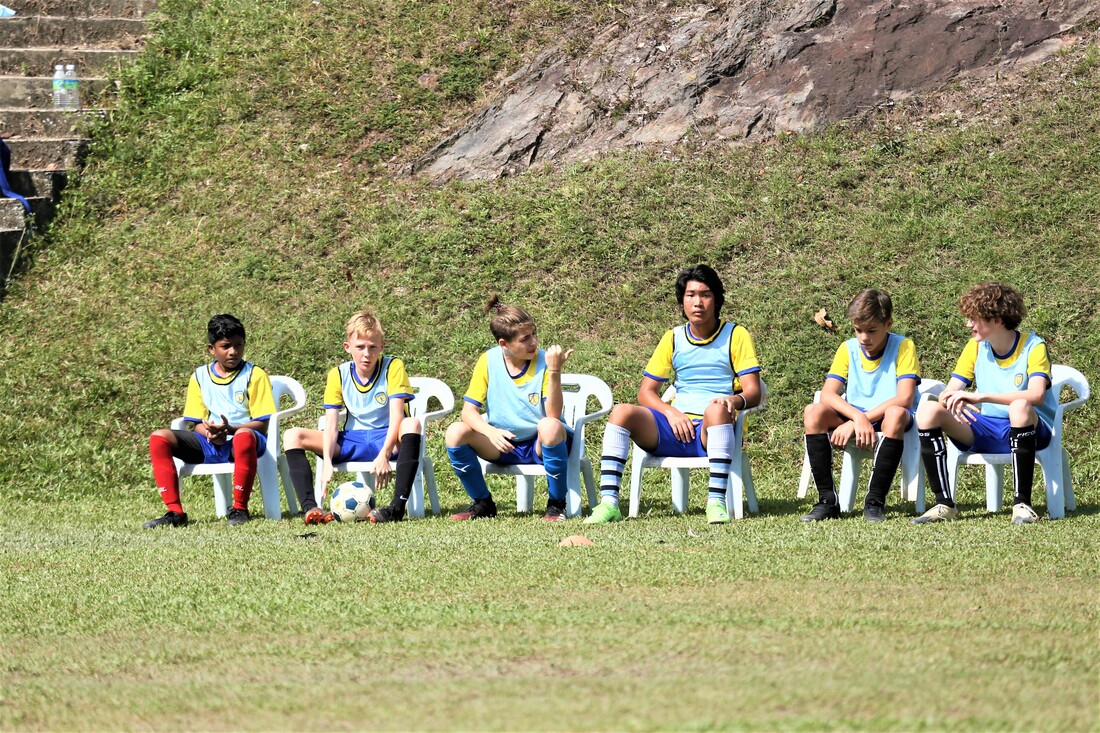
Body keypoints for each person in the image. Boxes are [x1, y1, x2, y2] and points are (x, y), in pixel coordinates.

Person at [585, 264, 762, 525]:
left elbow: (754, 392)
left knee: (715, 408)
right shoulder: (673, 338)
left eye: (705, 295)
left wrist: (731, 401)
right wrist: (671, 413)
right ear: (682, 302)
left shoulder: (736, 335)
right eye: (691, 295)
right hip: (675, 428)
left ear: (717, 300)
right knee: (622, 411)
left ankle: (716, 502)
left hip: (714, 429)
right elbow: (646, 392)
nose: (698, 302)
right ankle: (609, 503)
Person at [912, 283, 1056, 525]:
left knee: (1019, 407)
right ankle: (944, 504)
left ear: (997, 319)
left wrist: (981, 397)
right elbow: (950, 390)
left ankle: (1022, 505)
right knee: (928, 410)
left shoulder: (1033, 346)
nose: (968, 324)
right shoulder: (975, 346)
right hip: (987, 427)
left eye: (974, 318)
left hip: (1030, 431)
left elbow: (1036, 395)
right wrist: (952, 400)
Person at [282, 311, 422, 524]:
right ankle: (311, 508)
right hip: (352, 440)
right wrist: (327, 461)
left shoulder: (393, 367)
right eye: (360, 347)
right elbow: (330, 425)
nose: (367, 354)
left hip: (387, 439)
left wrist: (384, 454)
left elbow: (397, 417)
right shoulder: (338, 374)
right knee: (292, 435)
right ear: (347, 347)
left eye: (372, 347)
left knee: (411, 423)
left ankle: (396, 508)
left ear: (382, 346)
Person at [445, 295, 574, 522]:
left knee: (549, 426)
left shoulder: (545, 360)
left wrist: (554, 371)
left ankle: (556, 505)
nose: (534, 342)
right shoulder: (488, 360)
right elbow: (468, 412)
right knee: (455, 432)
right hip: (504, 444)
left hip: (543, 444)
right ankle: (482, 503)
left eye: (533, 334)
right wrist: (491, 432)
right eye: (525, 339)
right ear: (504, 344)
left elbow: (553, 415)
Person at [144, 314, 277, 528]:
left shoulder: (255, 375)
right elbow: (196, 422)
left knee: (243, 436)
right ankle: (175, 512)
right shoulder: (199, 376)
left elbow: (262, 425)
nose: (233, 351)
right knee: (159, 438)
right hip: (209, 441)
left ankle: (240, 509)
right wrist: (210, 434)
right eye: (225, 346)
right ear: (212, 349)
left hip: (246, 441)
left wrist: (230, 429)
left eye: (238, 345)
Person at [801, 289, 921, 522]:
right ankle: (827, 501)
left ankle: (875, 502)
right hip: (856, 415)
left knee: (896, 414)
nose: (864, 337)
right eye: (858, 330)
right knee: (813, 411)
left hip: (889, 417)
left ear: (888, 324)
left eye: (872, 330)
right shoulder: (847, 348)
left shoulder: (904, 346)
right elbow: (827, 394)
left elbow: (904, 398)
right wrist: (857, 418)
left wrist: (862, 419)